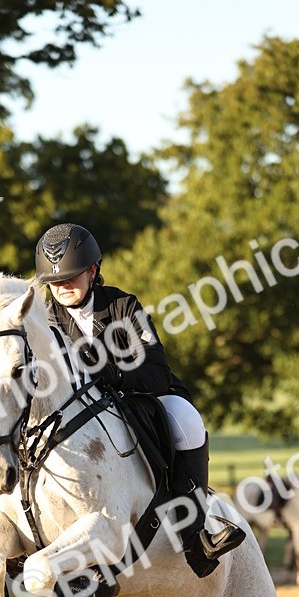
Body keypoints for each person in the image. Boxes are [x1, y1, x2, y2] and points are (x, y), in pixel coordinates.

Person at [35, 223, 245, 577]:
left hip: (139, 395)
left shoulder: (122, 305)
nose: (63, 287)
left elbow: (155, 369)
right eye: (55, 282)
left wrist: (110, 373)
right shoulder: (46, 319)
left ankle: (196, 536)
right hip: (84, 414)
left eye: (71, 278)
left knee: (188, 420)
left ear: (93, 271)